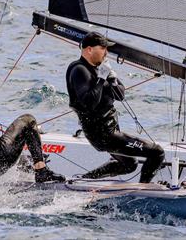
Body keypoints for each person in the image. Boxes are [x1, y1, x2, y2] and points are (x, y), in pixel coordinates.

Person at [66, 32, 165, 183]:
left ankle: (84, 179)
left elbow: (120, 95)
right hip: (103, 135)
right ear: (89, 50)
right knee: (157, 153)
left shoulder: (100, 68)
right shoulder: (79, 70)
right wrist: (101, 78)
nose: (106, 53)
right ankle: (143, 190)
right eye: (103, 48)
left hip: (110, 132)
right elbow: (89, 102)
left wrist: (111, 76)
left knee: (130, 164)